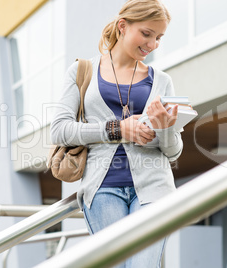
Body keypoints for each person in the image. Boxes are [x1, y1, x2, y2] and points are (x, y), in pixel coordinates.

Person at [50, 0, 183, 267]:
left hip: (154, 188)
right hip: (102, 189)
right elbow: (60, 130)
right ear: (123, 26)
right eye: (146, 34)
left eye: (158, 37)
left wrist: (166, 128)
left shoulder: (162, 80)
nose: (153, 44)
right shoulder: (81, 71)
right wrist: (118, 129)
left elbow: (174, 151)